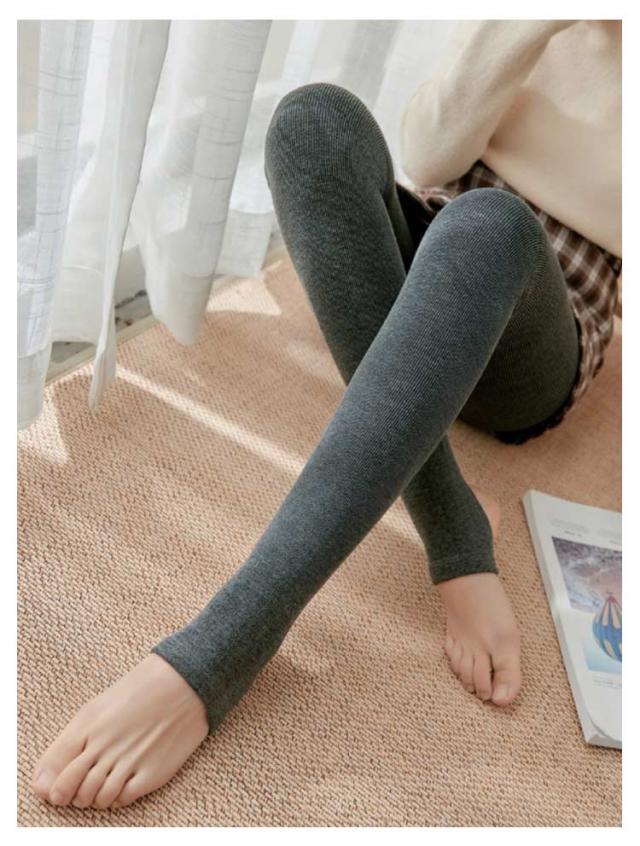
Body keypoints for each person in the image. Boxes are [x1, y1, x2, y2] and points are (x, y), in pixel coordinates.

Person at [31, 19, 621, 810]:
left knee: (493, 226)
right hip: (434, 259)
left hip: (543, 331)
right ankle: (451, 518)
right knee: (312, 123)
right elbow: (429, 157)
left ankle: (226, 644)